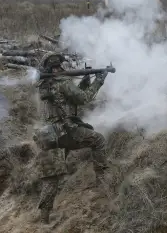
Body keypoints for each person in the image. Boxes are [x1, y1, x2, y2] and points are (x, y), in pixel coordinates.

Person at [33, 51, 109, 224]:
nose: (62, 68)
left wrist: (84, 80)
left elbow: (67, 99)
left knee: (51, 180)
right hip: (65, 132)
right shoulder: (63, 82)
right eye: (60, 66)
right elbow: (84, 98)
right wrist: (99, 80)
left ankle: (44, 218)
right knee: (99, 140)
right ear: (58, 66)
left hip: (48, 136)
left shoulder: (44, 84)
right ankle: (102, 183)